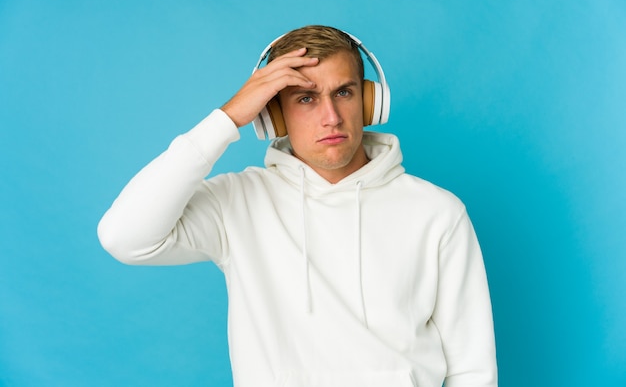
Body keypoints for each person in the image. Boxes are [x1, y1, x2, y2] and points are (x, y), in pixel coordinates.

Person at [98, 25, 497, 387]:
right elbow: (124, 237)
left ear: (370, 101)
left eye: (344, 92)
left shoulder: (437, 212)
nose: (331, 117)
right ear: (275, 115)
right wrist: (227, 119)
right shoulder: (237, 203)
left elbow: (473, 369)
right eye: (305, 98)